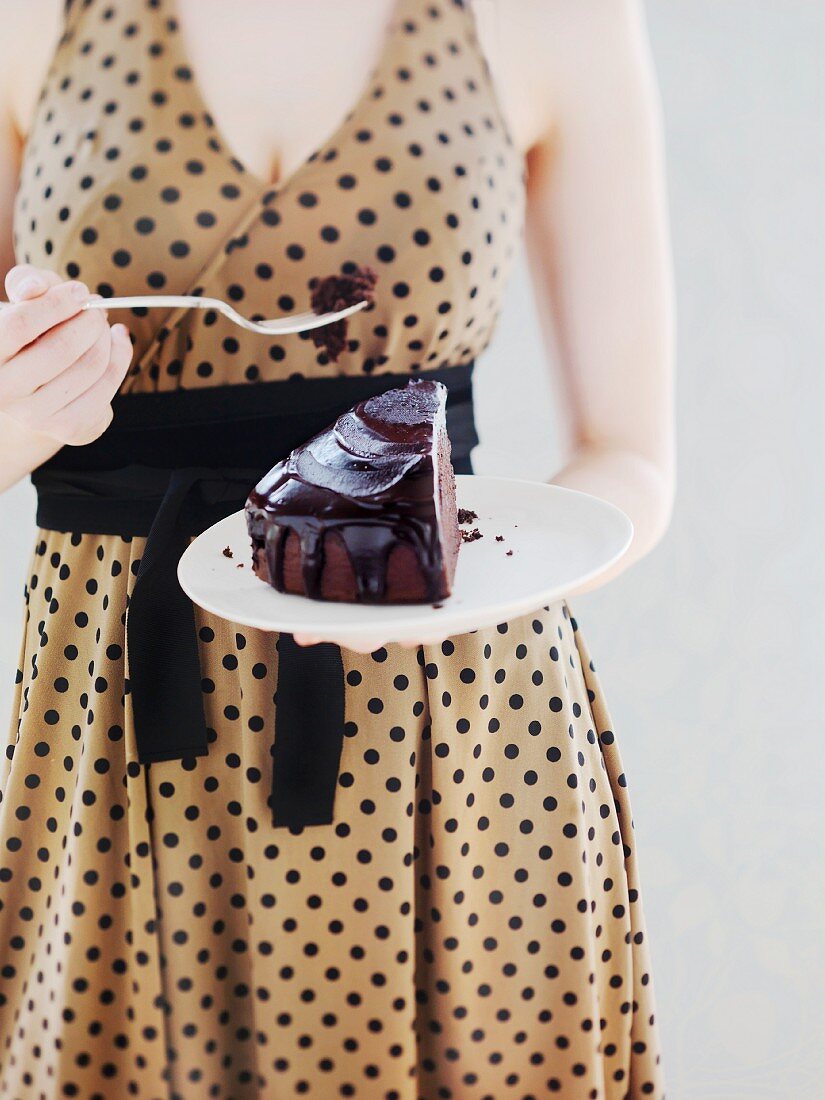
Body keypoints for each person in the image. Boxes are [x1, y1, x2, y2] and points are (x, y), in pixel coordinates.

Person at [0, 0, 674, 1095]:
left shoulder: (562, 16)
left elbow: (629, 455)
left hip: (448, 725)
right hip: (120, 709)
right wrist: (21, 410)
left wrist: (462, 589)